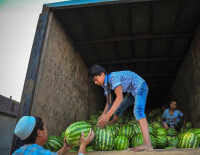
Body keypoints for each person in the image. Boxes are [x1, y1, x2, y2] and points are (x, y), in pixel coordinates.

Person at [88, 65, 152, 152]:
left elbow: (119, 98)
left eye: (95, 79)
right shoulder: (105, 85)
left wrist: (108, 116)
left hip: (141, 86)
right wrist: (103, 115)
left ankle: (147, 144)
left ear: (102, 74)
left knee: (138, 112)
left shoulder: (113, 77)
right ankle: (112, 124)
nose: (95, 83)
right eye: (93, 81)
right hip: (132, 91)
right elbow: (109, 102)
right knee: (118, 108)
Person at [12, 116, 94, 155]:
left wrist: (64, 148)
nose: (46, 130)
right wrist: (83, 145)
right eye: (45, 128)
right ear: (39, 132)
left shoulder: (17, 152)